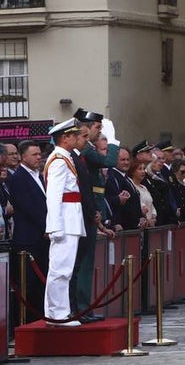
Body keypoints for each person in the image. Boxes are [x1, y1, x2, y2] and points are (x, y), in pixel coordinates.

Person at [70, 108, 119, 323]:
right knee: (84, 263)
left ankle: (84, 307)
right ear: (86, 128)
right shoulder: (86, 151)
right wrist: (114, 140)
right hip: (86, 211)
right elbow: (109, 162)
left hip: (91, 209)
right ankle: (81, 307)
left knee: (86, 263)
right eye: (98, 127)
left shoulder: (87, 149)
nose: (100, 132)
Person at [43, 119, 84, 326]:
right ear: (64, 138)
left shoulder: (64, 158)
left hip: (70, 219)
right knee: (60, 269)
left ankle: (56, 312)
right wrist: (55, 226)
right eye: (74, 135)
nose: (77, 138)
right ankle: (57, 314)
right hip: (65, 221)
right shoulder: (59, 160)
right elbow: (53, 196)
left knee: (63, 269)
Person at [8, 139, 47, 322]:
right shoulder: (18, 178)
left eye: (40, 154)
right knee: (28, 285)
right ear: (23, 157)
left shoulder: (40, 176)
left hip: (42, 239)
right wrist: (47, 226)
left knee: (40, 284)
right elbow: (28, 207)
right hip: (28, 239)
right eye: (35, 154)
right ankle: (26, 322)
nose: (39, 157)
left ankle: (40, 318)